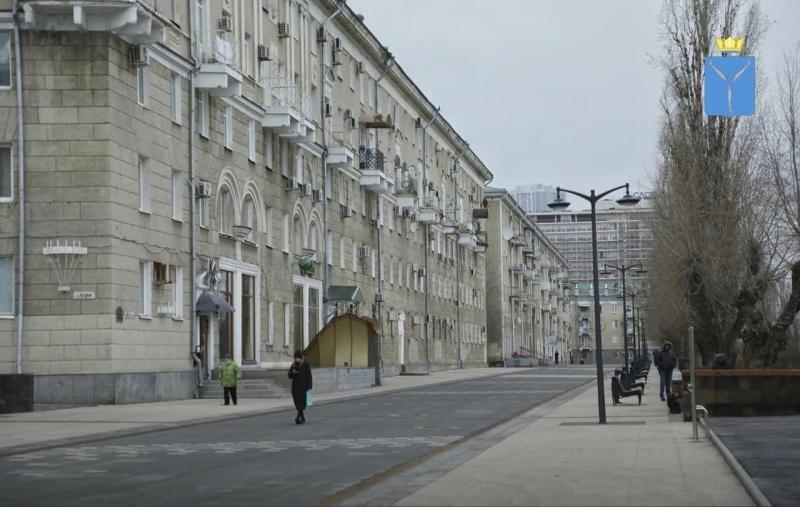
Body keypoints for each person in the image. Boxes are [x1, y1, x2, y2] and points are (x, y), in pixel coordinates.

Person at [288, 350, 313, 424]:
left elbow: (309, 376)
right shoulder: (294, 365)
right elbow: (289, 375)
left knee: (301, 403)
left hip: (303, 387)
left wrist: (309, 386)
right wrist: (294, 373)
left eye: (298, 358)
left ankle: (298, 417)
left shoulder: (306, 365)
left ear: (301, 358)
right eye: (296, 358)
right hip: (295, 388)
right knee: (297, 403)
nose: (297, 360)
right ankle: (302, 418)